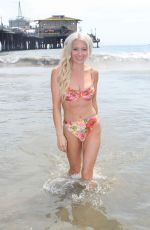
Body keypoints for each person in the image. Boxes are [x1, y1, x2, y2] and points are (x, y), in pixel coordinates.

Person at [51, 32, 101, 180]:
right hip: (71, 127)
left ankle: (86, 203)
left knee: (86, 174)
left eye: (84, 49)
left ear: (89, 50)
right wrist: (60, 135)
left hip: (92, 124)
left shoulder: (94, 73)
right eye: (76, 49)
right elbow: (55, 107)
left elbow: (93, 101)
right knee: (74, 170)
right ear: (69, 50)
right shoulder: (58, 72)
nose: (80, 53)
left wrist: (97, 119)